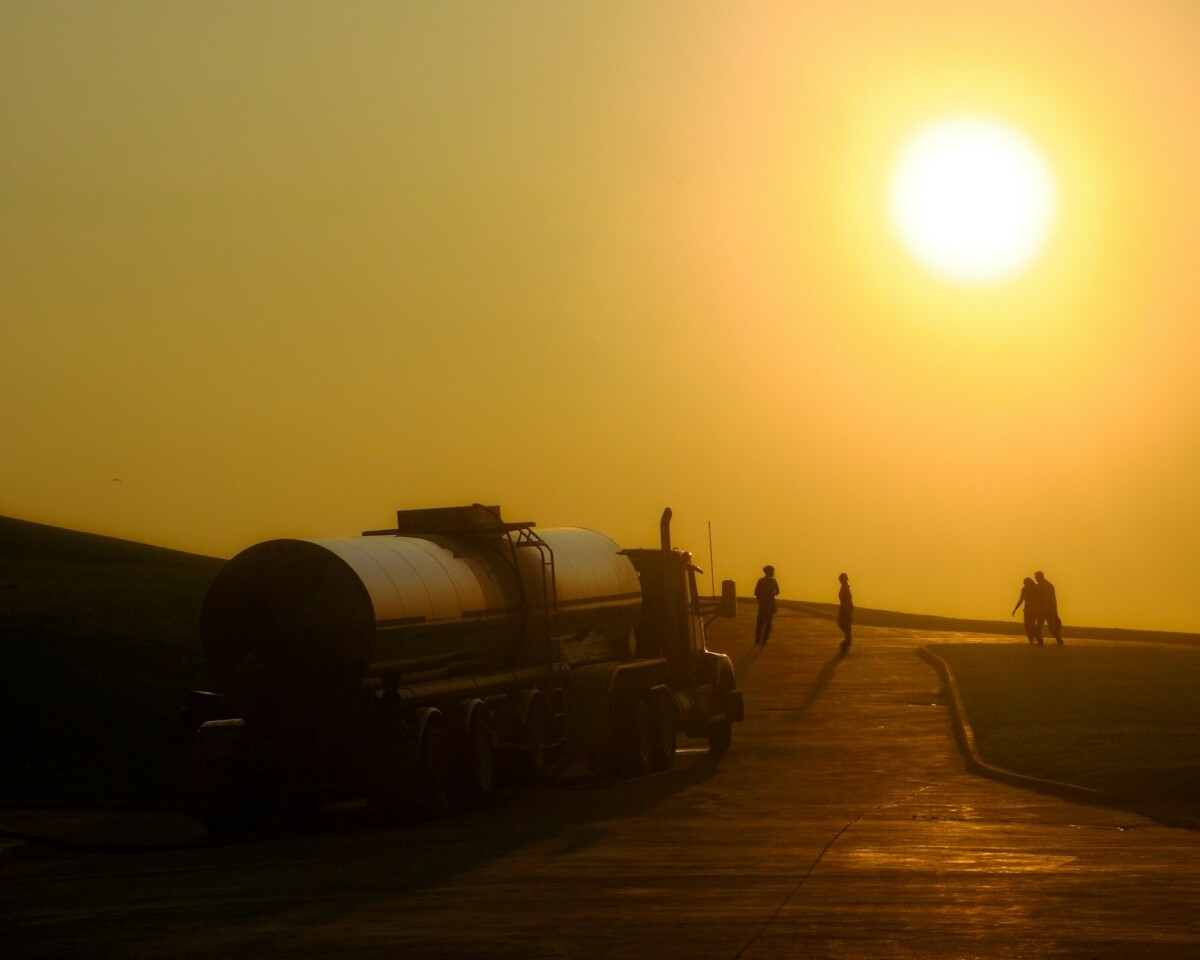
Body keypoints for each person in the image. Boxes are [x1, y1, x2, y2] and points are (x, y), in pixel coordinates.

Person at [1011, 576, 1043, 645]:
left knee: (1031, 626)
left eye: (1026, 583)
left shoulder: (1036, 589)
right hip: (1027, 610)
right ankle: (1031, 641)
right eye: (1024, 583)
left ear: (1030, 583)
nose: (1025, 585)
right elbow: (1021, 600)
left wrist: (1039, 608)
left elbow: (1040, 600)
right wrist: (1015, 609)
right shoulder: (1024, 589)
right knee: (1026, 627)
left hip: (1034, 611)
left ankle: (1039, 639)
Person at [1035, 570, 1063, 645]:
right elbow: (1053, 599)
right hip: (1047, 609)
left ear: (1040, 577)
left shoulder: (1043, 586)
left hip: (1046, 609)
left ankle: (1041, 642)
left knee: (1042, 626)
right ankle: (1058, 640)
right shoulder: (1048, 585)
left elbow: (1049, 598)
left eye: (1036, 577)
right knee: (1049, 626)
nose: (1036, 579)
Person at [754, 565, 780, 645]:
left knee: (760, 622)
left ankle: (758, 637)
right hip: (770, 605)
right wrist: (771, 594)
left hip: (762, 605)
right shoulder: (773, 581)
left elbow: (756, 593)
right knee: (768, 623)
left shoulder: (760, 581)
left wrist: (761, 600)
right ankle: (765, 638)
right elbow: (778, 592)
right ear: (770, 572)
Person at [837, 572, 853, 655]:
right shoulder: (844, 588)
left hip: (845, 609)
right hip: (845, 609)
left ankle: (847, 641)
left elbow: (848, 600)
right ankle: (847, 640)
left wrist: (847, 611)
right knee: (843, 624)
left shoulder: (845, 588)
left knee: (844, 624)